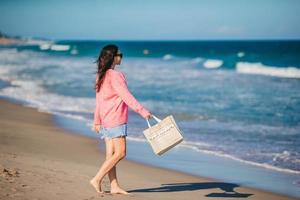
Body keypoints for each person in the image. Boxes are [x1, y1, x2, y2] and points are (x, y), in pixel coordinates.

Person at [90, 44, 152, 195]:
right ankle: (96, 178)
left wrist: (97, 120)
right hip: (115, 119)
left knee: (111, 155)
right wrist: (142, 111)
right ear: (113, 57)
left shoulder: (101, 75)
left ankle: (114, 186)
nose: (121, 57)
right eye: (120, 55)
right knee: (120, 153)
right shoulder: (116, 76)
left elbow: (98, 101)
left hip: (105, 119)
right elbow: (127, 97)